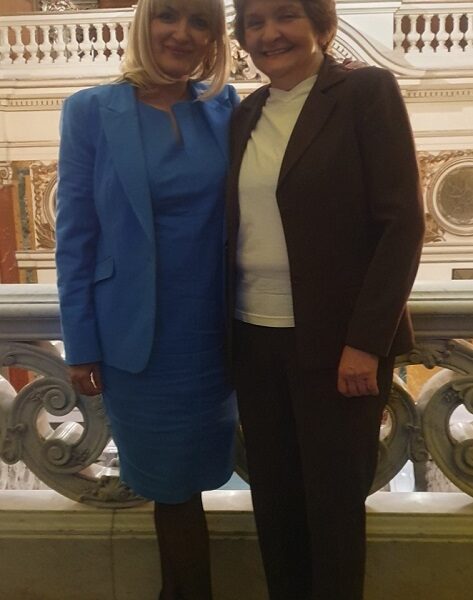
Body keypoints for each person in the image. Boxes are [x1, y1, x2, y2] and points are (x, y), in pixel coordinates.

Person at [227, 1, 425, 599]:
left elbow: (401, 225)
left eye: (285, 15)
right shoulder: (245, 113)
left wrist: (365, 342)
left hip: (340, 348)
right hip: (253, 337)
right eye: (254, 22)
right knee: (276, 506)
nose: (270, 33)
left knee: (334, 511)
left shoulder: (365, 92)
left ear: (320, 23)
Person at [55, 1, 239, 598]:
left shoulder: (226, 106)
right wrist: (81, 344)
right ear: (144, 24)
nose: (181, 33)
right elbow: (75, 237)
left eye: (199, 22)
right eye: (169, 17)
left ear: (214, 38)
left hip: (217, 336)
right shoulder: (90, 111)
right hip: (138, 342)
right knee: (170, 489)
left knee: (200, 479)